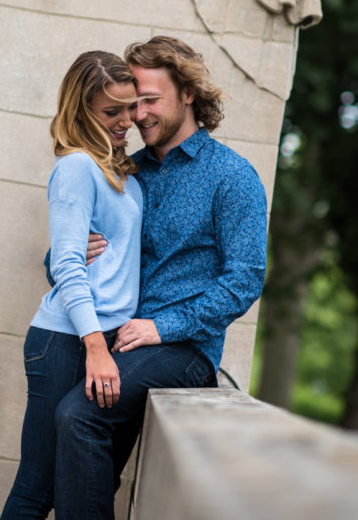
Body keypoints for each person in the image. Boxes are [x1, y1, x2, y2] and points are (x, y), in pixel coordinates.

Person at [52, 36, 268, 520]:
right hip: (114, 342)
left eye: (150, 100)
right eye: (130, 104)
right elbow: (71, 245)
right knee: (77, 468)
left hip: (182, 351)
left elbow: (245, 278)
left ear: (187, 94)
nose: (137, 115)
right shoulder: (125, 169)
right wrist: (62, 256)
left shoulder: (233, 177)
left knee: (77, 417)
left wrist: (162, 327)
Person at [0, 51, 145, 519]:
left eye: (130, 106)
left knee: (71, 491)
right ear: (81, 111)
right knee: (36, 490)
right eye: (111, 112)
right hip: (67, 340)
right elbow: (66, 264)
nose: (127, 120)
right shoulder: (77, 168)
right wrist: (97, 346)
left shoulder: (121, 172)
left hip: (95, 341)